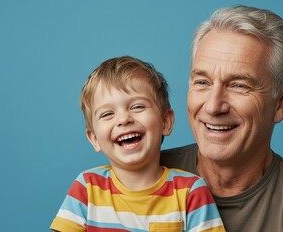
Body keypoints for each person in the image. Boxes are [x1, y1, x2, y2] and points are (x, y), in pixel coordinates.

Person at [160, 5, 283, 232]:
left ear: (282, 102)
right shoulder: (137, 177)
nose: (213, 106)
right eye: (202, 82)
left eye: (239, 85)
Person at [50, 56, 225, 231]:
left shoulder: (191, 192)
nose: (124, 119)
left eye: (137, 107)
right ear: (94, 138)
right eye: (107, 114)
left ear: (165, 122)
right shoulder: (87, 188)